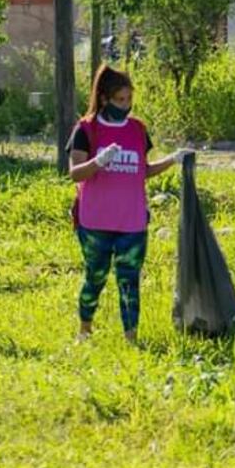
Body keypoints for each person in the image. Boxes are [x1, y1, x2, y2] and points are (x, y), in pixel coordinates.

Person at [68, 63, 189, 344]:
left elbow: (142, 171)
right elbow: (75, 172)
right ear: (104, 99)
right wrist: (98, 162)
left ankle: (131, 338)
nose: (126, 105)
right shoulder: (86, 129)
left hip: (132, 222)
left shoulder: (137, 130)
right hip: (95, 222)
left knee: (129, 281)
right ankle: (84, 331)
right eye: (120, 100)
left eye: (129, 99)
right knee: (94, 278)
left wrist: (172, 159)